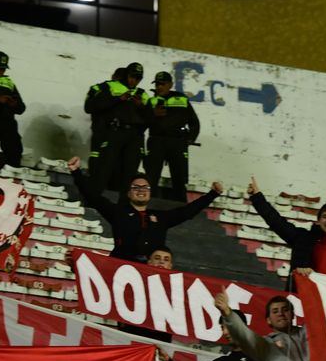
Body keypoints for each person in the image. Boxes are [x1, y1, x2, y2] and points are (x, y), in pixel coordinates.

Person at [68, 156, 223, 262]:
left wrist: (212, 194)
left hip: (150, 275)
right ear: (129, 193)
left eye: (145, 187)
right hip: (120, 269)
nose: (141, 190)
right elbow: (93, 197)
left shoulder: (161, 217)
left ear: (150, 193)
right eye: (136, 187)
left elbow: (188, 212)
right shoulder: (118, 213)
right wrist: (76, 172)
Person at [84, 62, 148, 194]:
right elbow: (90, 107)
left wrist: (141, 106)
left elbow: (151, 119)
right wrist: (118, 99)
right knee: (102, 169)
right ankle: (94, 199)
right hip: (109, 133)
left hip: (134, 137)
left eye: (138, 78)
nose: (134, 80)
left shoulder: (142, 93)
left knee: (128, 171)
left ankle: (123, 204)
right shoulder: (106, 87)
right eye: (132, 76)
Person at [143, 71, 200, 201]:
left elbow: (195, 123)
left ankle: (180, 207)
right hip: (156, 141)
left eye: (162, 84)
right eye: (157, 84)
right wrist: (153, 115)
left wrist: (189, 139)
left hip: (177, 143)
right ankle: (148, 205)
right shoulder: (151, 101)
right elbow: (142, 122)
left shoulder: (182, 99)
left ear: (170, 84)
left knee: (179, 179)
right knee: (151, 177)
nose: (159, 87)